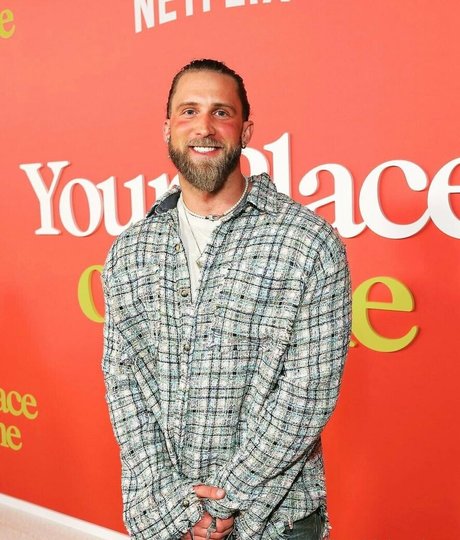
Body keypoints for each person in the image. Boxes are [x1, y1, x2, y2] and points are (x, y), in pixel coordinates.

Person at [102, 59, 351, 540]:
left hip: (278, 519)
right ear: (168, 129)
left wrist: (225, 499)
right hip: (165, 516)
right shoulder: (131, 250)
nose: (204, 127)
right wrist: (174, 504)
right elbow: (125, 383)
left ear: (246, 130)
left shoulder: (309, 242)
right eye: (189, 111)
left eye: (221, 112)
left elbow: (308, 393)